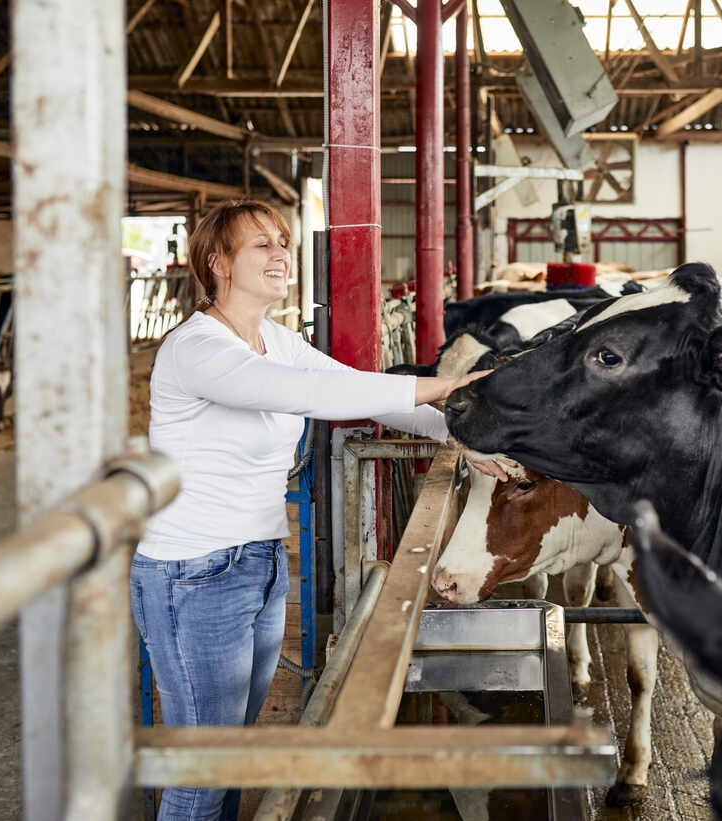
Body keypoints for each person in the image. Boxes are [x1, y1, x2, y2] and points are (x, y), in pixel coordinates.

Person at [130, 200, 486, 820]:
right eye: (260, 245)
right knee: (202, 771)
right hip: (193, 576)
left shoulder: (273, 340)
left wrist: (464, 434)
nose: (279, 255)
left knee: (233, 755)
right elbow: (316, 394)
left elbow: (357, 388)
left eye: (282, 242)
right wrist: (443, 385)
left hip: (260, 568)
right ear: (217, 263)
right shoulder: (195, 349)